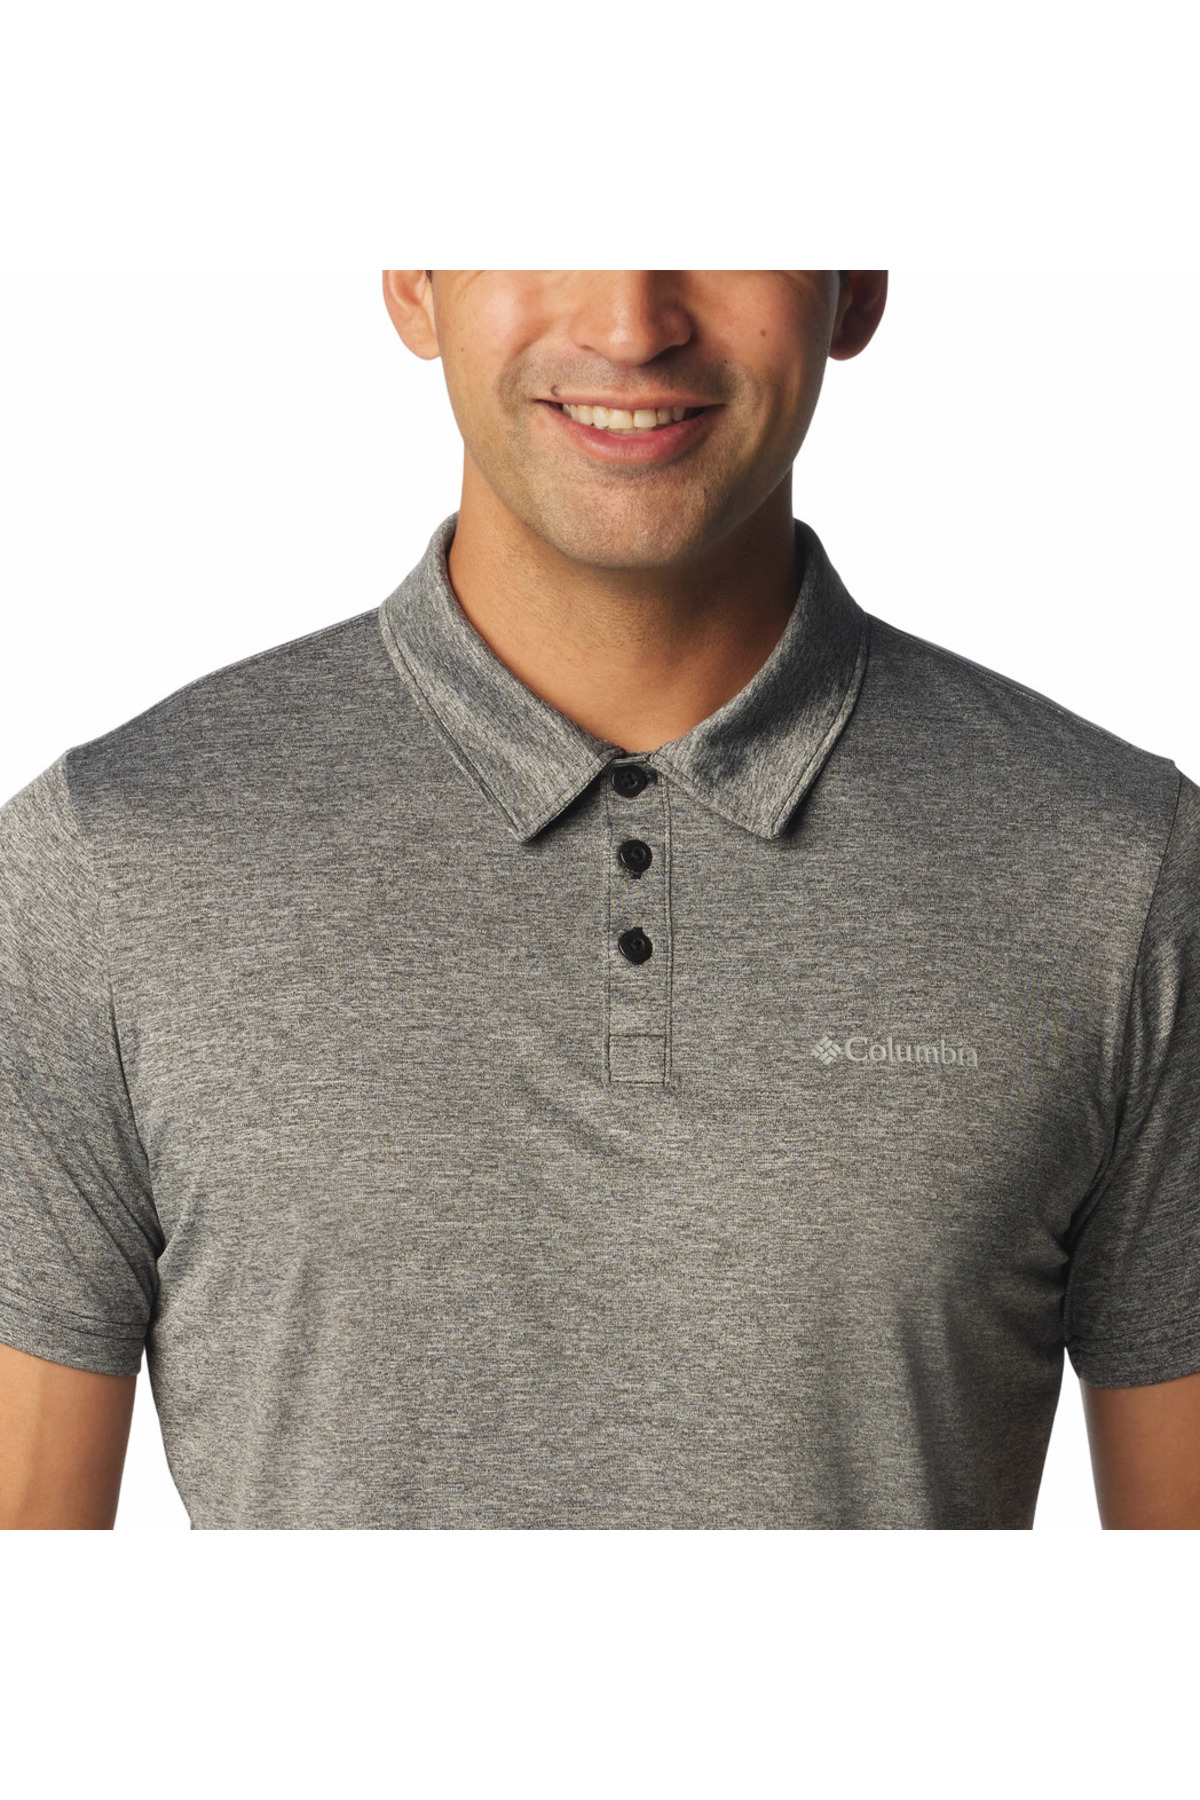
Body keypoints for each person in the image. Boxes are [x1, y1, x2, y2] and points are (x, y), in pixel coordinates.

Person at [1, 270, 1198, 1531]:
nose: (632, 325)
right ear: (412, 281)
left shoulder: (1123, 876)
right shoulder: (104, 868)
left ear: (855, 289)